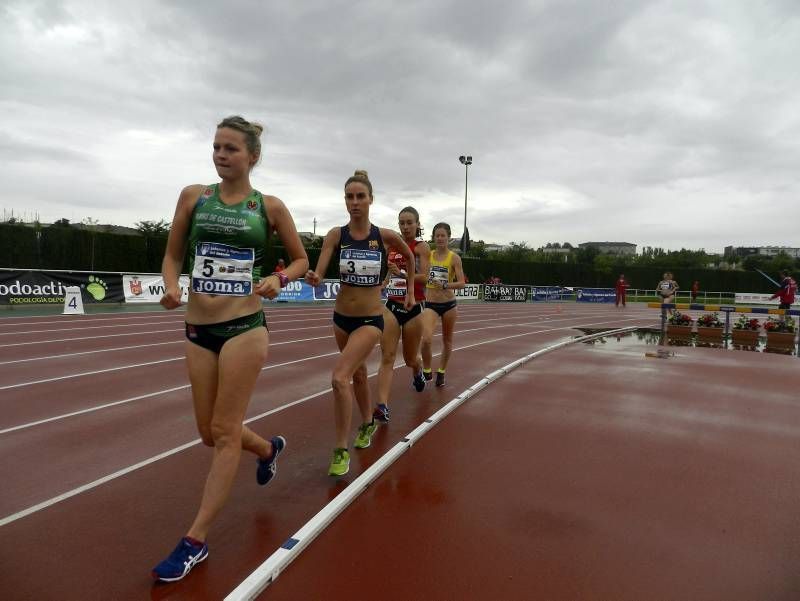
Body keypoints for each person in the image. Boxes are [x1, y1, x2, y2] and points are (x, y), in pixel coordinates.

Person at [152, 116, 308, 582]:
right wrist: (170, 285)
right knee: (209, 431)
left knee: (223, 431)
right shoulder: (193, 197)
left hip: (245, 327)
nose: (220, 155)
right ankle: (266, 449)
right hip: (198, 329)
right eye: (216, 147)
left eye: (230, 149)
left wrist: (279, 279)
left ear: (252, 157)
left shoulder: (270, 207)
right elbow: (173, 254)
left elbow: (300, 260)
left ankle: (194, 541)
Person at [305, 170, 415, 476]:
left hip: (370, 318)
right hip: (341, 318)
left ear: (370, 200)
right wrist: (314, 277)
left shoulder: (384, 236)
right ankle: (367, 422)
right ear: (345, 200)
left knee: (340, 377)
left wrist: (408, 291)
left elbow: (408, 255)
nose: (355, 202)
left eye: (360, 197)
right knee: (357, 375)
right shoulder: (334, 236)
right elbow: (319, 271)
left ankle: (340, 449)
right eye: (349, 197)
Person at [374, 207, 431, 424]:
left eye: (409, 223)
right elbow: (390, 270)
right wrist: (386, 280)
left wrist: (404, 274)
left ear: (417, 224)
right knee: (387, 357)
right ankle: (382, 406)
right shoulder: (392, 245)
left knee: (409, 359)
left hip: (413, 308)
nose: (405, 227)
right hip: (391, 305)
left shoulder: (421, 247)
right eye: (402, 223)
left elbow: (426, 278)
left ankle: (417, 371)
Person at [420, 222, 467, 387]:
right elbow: (421, 276)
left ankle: (441, 371)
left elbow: (462, 283)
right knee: (425, 339)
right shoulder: (428, 256)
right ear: (433, 238)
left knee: (447, 340)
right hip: (431, 303)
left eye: (443, 236)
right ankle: (426, 369)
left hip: (448, 304)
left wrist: (446, 285)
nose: (440, 238)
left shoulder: (454, 258)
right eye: (437, 235)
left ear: (448, 238)